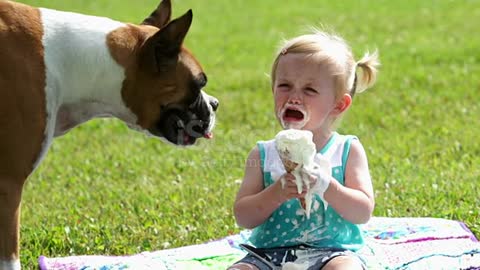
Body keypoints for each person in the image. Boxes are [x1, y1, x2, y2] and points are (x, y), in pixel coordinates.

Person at [228, 29, 379, 270]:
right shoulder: (263, 155)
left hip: (333, 252)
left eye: (310, 90)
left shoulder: (347, 150)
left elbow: (362, 212)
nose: (294, 97)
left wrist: (327, 186)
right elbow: (243, 217)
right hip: (268, 254)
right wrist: (277, 192)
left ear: (339, 104)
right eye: (285, 86)